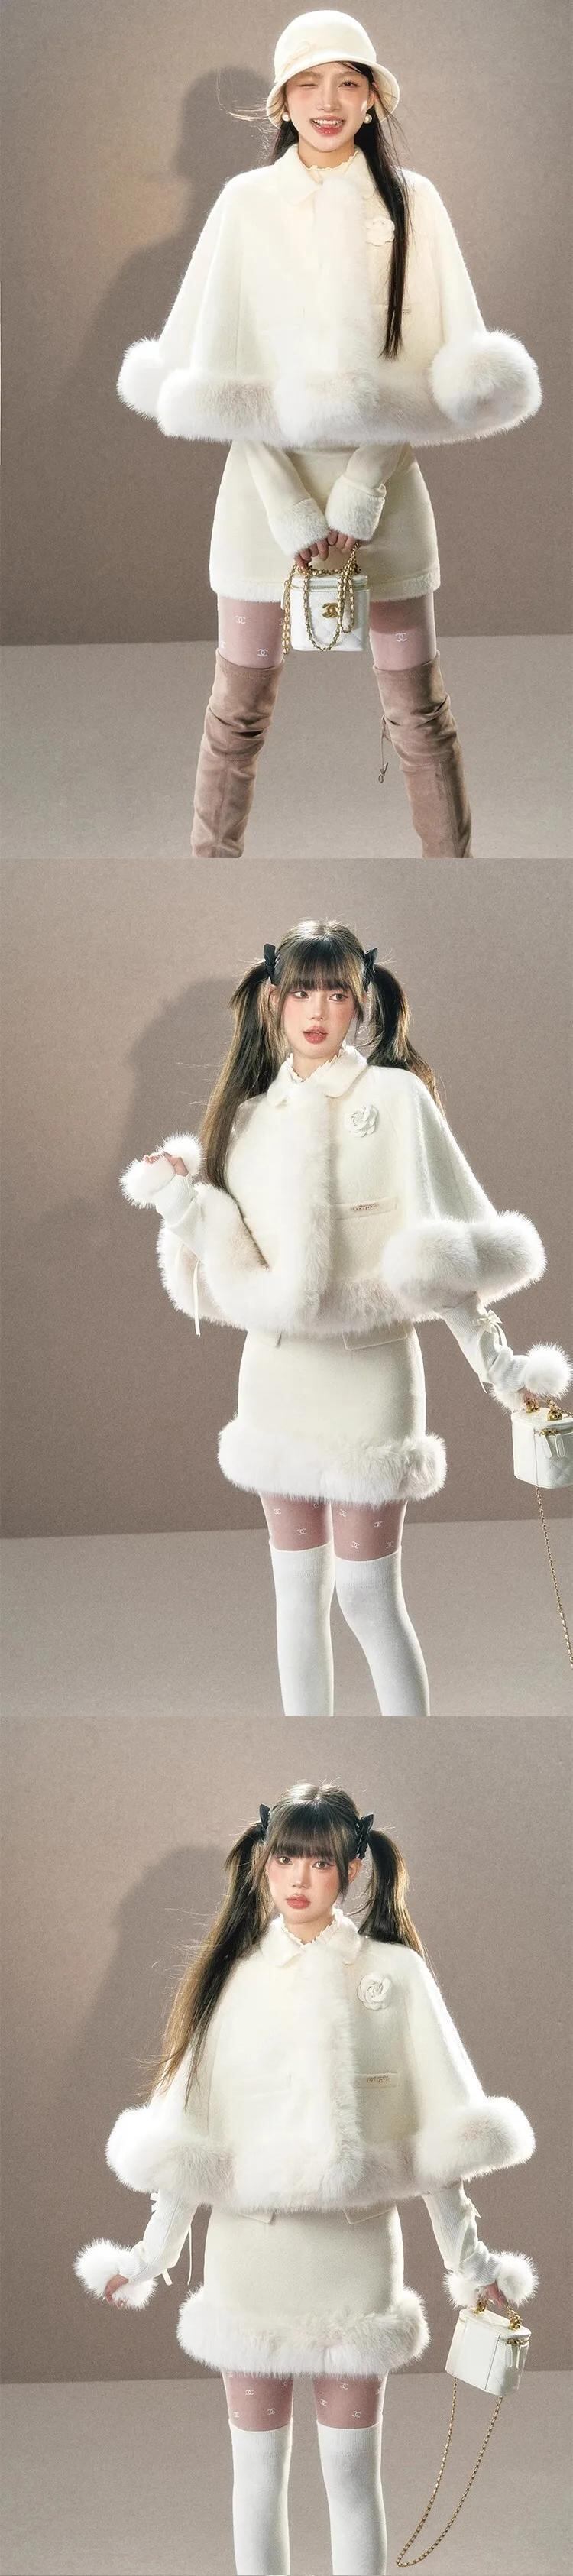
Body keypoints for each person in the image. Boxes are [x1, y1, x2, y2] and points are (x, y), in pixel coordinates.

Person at [76, 1781, 537, 2576]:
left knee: (352, 2475)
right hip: (248, 2259)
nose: (298, 1877)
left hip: (355, 2259)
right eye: (285, 1856)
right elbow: (190, 2144)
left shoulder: (395, 1974)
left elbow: (439, 2147)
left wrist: (472, 2266)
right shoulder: (230, 1979)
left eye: (319, 1860)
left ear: (354, 1866)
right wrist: (149, 2256)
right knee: (256, 2475)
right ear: (264, 1862)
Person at [117, 11, 540, 860]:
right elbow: (225, 382)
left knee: (419, 714)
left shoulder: (414, 204)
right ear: (282, 102)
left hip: (382, 488)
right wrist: (290, 511)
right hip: (261, 493)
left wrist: (360, 493)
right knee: (236, 714)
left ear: (374, 98)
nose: (328, 101)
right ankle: (210, 881)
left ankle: (453, 882)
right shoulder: (245, 207)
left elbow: (433, 375)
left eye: (348, 82)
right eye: (308, 83)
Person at [121, 921, 569, 1717]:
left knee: (366, 1596)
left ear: (361, 1002)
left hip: (373, 1374)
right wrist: (180, 1200)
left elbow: (437, 1260)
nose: (318, 1009)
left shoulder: (395, 1100)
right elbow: (232, 1266)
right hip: (276, 1377)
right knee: (296, 1597)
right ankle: (310, 1750)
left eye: (336, 991)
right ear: (273, 1000)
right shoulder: (247, 1120)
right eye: (302, 990)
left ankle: (412, 1747)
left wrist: (503, 1370)